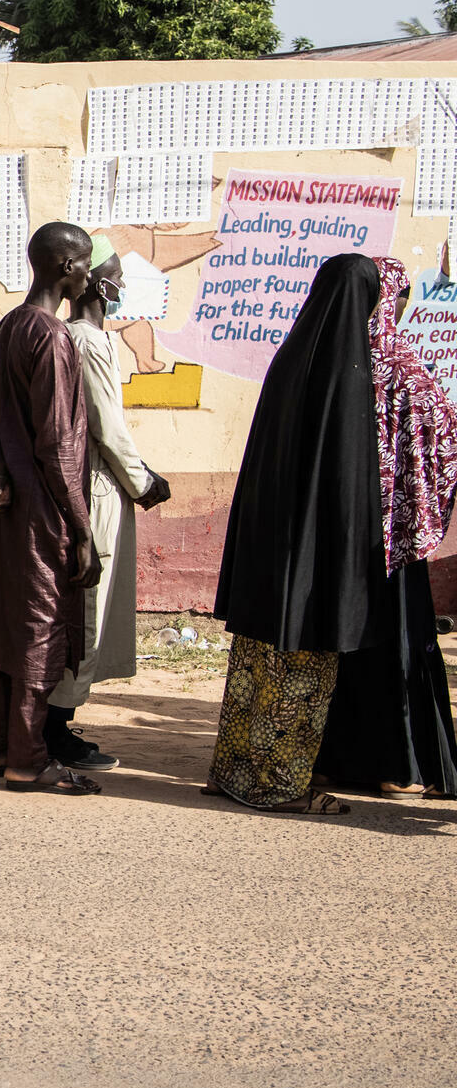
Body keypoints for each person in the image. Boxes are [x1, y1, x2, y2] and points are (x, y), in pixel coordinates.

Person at [210, 254, 457, 811]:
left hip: (279, 546)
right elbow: (435, 449)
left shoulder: (292, 359)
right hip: (354, 549)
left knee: (269, 653)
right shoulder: (382, 371)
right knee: (327, 655)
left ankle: (252, 767)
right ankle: (304, 782)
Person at [314, 255, 457, 798]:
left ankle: (328, 759)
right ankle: (396, 764)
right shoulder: (403, 371)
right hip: (389, 545)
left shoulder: (320, 361)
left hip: (333, 541)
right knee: (393, 644)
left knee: (338, 646)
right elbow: (444, 444)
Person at [0, 222, 102, 796]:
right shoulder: (50, 336)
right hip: (46, 507)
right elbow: (59, 444)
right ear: (64, 268)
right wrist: (82, 528)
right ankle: (28, 759)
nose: (88, 277)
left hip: (18, 503)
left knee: (3, 621)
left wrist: (4, 470)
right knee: (39, 629)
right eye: (84, 265)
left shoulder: (8, 326)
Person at [44, 236, 173, 770]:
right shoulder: (90, 342)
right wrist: (144, 482)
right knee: (86, 610)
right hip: (96, 483)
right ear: (98, 282)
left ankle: (56, 721)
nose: (121, 286)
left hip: (90, 480)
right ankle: (55, 728)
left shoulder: (81, 337)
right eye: (118, 275)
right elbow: (106, 425)